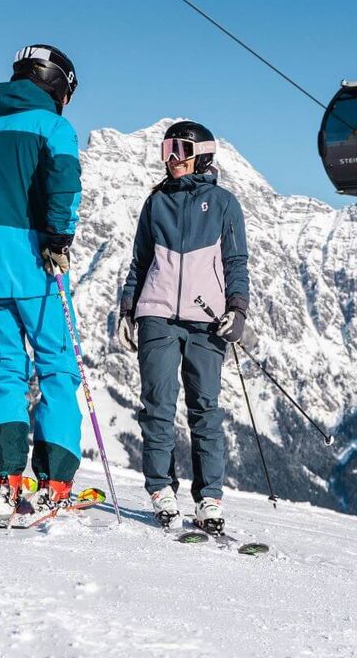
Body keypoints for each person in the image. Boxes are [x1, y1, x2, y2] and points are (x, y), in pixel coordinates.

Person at [0, 45, 82, 517]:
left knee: (6, 367)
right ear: (56, 84)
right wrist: (58, 239)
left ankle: (6, 476)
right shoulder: (54, 127)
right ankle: (55, 479)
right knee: (57, 365)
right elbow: (64, 183)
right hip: (34, 263)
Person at [118, 121, 250, 532]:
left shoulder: (225, 203)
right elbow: (139, 263)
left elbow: (235, 263)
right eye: (166, 149)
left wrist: (238, 309)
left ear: (203, 154)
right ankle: (161, 489)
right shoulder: (155, 202)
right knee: (157, 406)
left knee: (204, 409)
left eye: (180, 149)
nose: (172, 158)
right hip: (156, 313)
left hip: (206, 320)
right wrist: (128, 309)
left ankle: (209, 497)